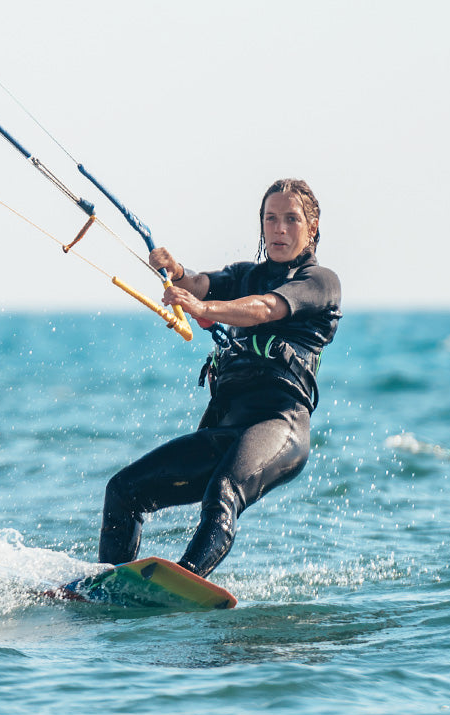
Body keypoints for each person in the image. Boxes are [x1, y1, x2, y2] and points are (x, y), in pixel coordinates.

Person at [98, 179, 342, 578]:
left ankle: (183, 581)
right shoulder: (246, 276)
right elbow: (196, 283)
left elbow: (264, 309)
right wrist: (175, 271)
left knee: (223, 493)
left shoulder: (321, 282)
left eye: (291, 220)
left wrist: (202, 306)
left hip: (279, 425)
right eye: (271, 218)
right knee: (124, 491)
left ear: (311, 228)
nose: (279, 229)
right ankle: (109, 585)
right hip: (228, 426)